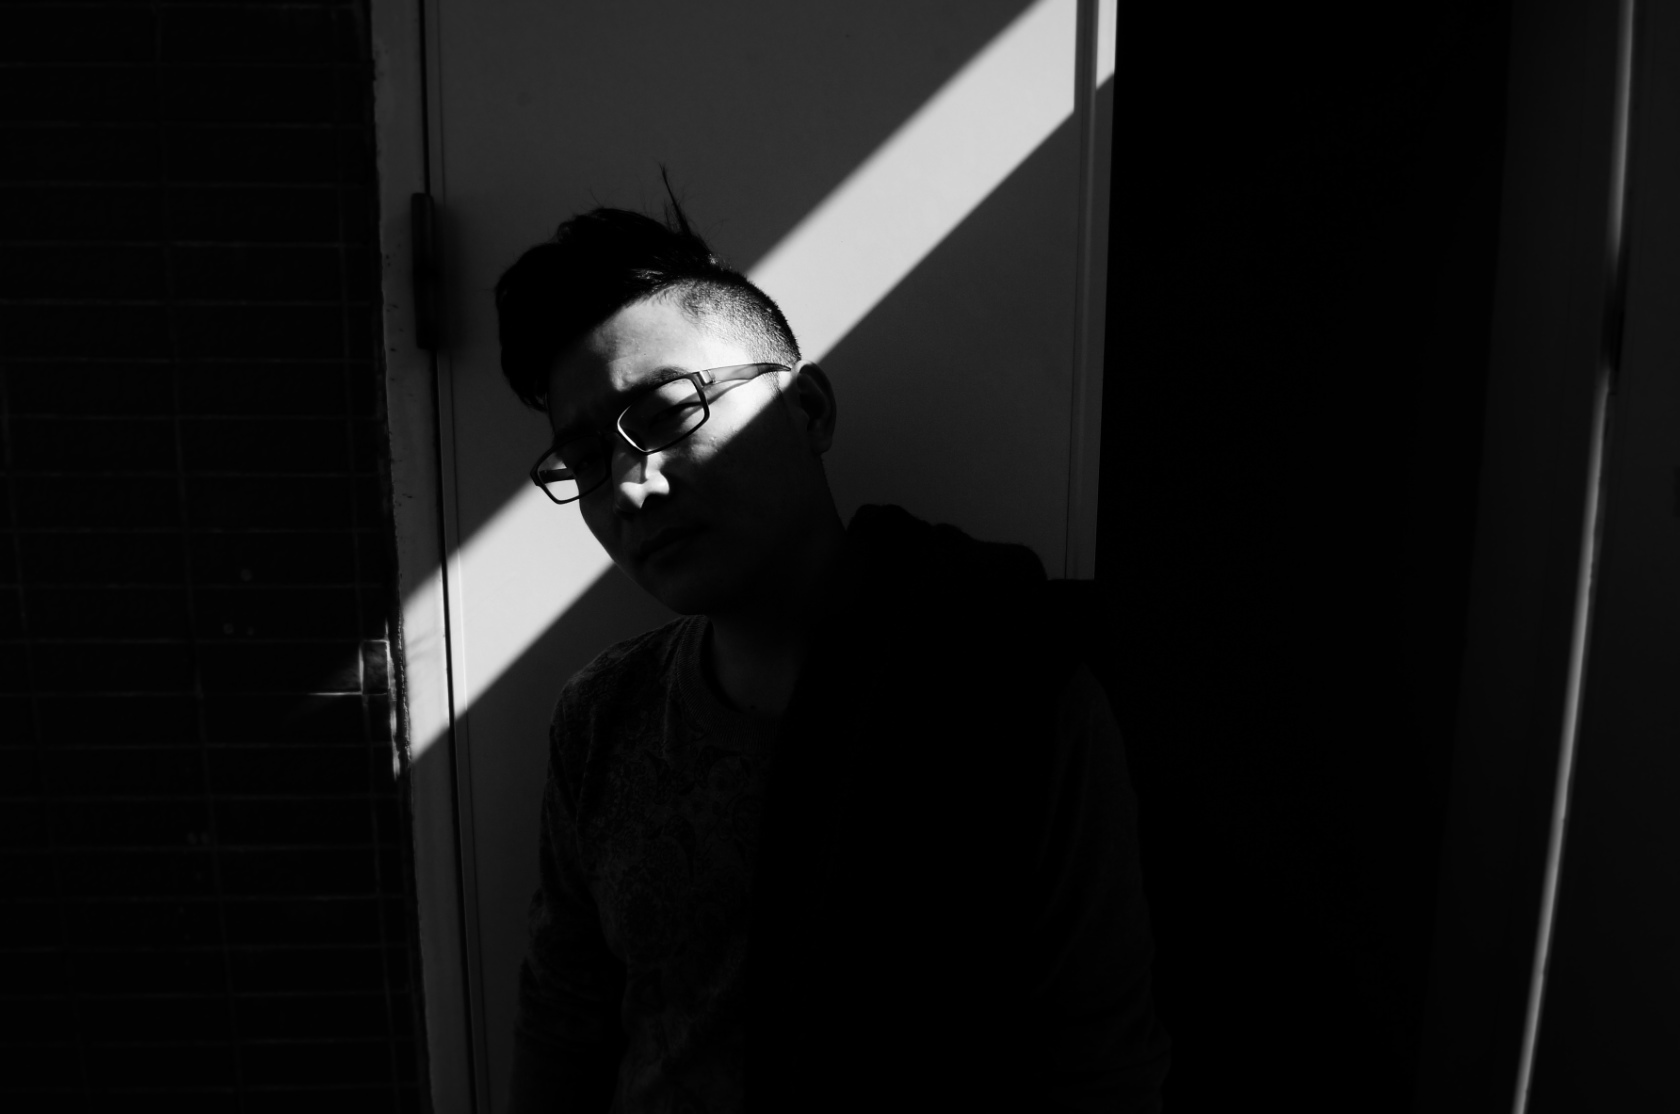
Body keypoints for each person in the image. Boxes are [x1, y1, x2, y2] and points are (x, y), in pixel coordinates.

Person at [496, 197, 1170, 1113]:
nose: (629, 488)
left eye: (666, 414)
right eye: (582, 462)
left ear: (807, 407)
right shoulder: (600, 716)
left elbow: (1100, 1060)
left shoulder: (1007, 683)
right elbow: (564, 1024)